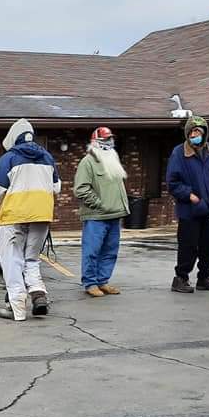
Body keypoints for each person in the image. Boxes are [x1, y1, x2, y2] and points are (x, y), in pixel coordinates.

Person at [0, 119, 60, 321]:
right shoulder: (48, 157)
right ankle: (38, 294)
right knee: (31, 259)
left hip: (14, 216)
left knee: (12, 261)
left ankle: (17, 308)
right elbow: (56, 187)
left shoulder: (8, 158)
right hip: (42, 216)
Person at [166, 116, 209, 294]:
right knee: (188, 247)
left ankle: (204, 277)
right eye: (192, 132)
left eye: (199, 132)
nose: (195, 135)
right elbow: (172, 183)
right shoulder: (179, 153)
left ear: (205, 133)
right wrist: (189, 195)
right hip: (189, 210)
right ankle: (181, 278)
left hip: (208, 209)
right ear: (187, 133)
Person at [74, 127, 129, 297]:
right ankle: (90, 283)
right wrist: (100, 204)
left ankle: (103, 281)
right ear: (96, 142)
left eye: (110, 139)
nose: (109, 143)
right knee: (92, 251)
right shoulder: (88, 162)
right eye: (105, 140)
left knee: (110, 251)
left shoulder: (113, 159)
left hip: (115, 214)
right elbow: (81, 189)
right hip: (96, 216)